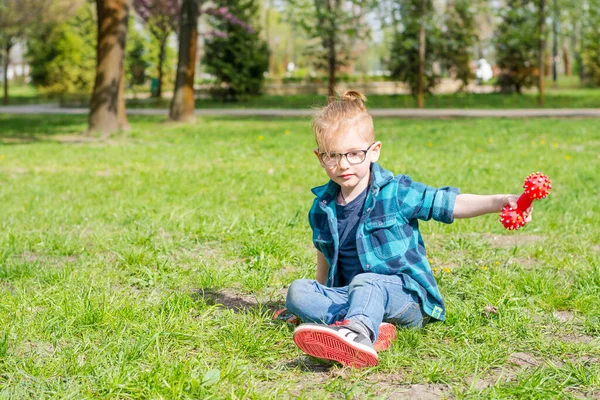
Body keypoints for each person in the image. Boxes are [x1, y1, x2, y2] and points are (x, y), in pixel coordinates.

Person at [284, 90, 532, 368]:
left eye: (354, 154)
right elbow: (325, 257)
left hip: (404, 296)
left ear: (374, 151)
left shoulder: (397, 193)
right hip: (352, 293)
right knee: (297, 291)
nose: (343, 164)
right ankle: (372, 326)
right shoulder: (322, 207)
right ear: (320, 157)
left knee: (367, 281)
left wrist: (500, 201)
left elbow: (448, 203)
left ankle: (355, 334)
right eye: (332, 156)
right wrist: (316, 296)